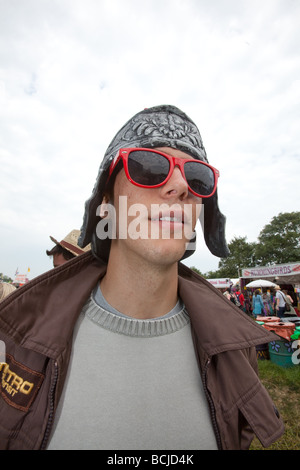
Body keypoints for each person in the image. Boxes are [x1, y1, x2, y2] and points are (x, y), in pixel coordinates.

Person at [0, 105, 284, 450]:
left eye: (197, 177)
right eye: (148, 167)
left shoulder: (235, 354)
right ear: (106, 204)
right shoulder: (16, 343)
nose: (180, 186)